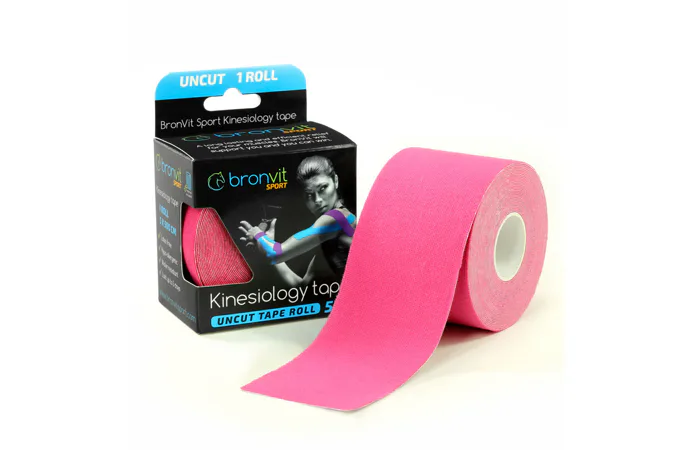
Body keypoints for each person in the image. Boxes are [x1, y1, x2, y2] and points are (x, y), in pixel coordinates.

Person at [238, 155, 356, 287]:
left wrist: (257, 234)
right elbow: (304, 287)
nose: (317, 200)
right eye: (309, 194)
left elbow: (275, 253)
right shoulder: (331, 237)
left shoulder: (337, 218)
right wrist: (266, 244)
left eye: (323, 188)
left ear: (335, 181)